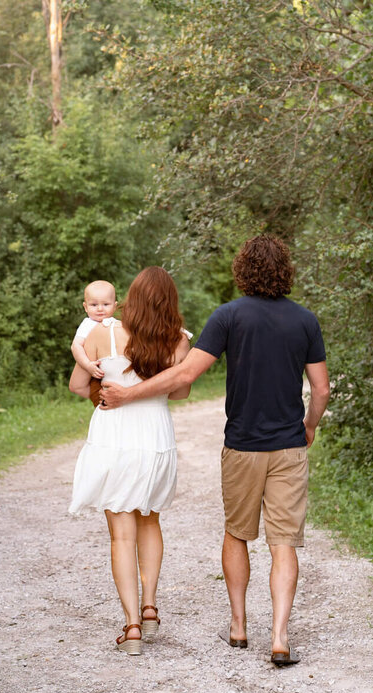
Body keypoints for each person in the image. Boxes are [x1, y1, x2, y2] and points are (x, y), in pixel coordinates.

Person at [99, 234, 330, 667]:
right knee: (284, 545)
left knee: (237, 533)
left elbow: (185, 374)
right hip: (289, 448)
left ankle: (239, 628)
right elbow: (320, 388)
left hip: (242, 445)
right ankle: (279, 636)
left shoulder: (228, 316)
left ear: (242, 269)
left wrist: (130, 396)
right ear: (286, 271)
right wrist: (309, 426)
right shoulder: (305, 320)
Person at [68, 268, 192, 655]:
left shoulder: (100, 332)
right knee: (150, 519)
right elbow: (181, 392)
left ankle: (132, 627)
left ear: (129, 299)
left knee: (121, 535)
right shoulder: (178, 341)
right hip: (155, 438)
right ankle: (151, 607)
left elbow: (76, 386)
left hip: (113, 438)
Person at [72, 280, 118, 380]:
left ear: (114, 306)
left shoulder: (116, 323)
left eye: (106, 304)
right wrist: (87, 365)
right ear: (85, 307)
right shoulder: (88, 324)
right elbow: (76, 346)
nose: (100, 309)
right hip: (94, 369)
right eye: (94, 305)